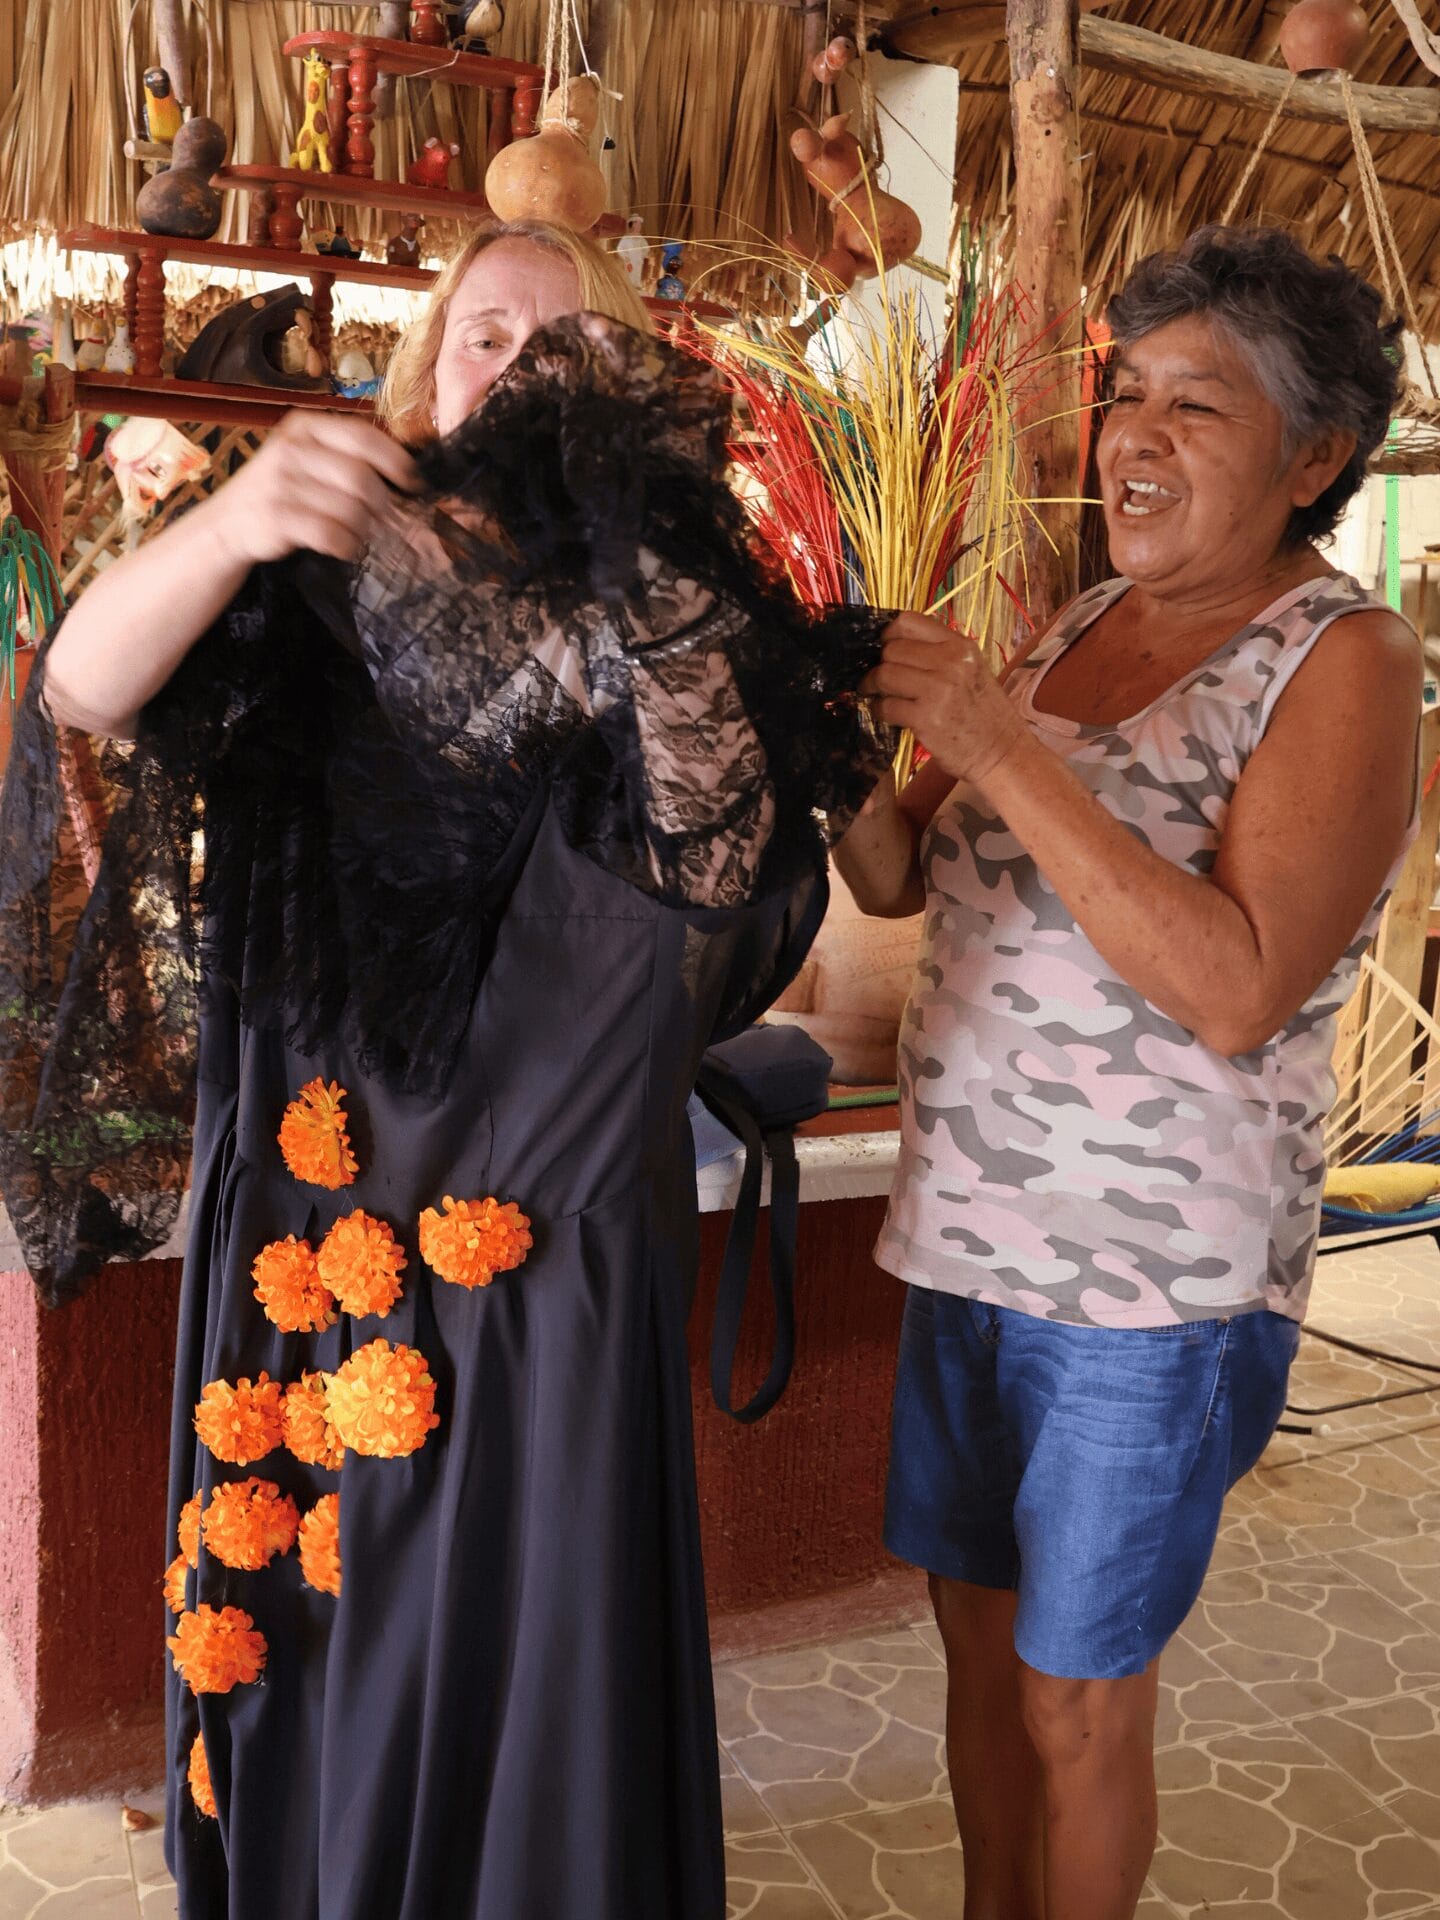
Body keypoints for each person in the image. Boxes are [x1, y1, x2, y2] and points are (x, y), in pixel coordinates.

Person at [0, 219, 890, 1919]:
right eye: (486, 334)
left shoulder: (683, 612)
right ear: (427, 375)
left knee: (517, 1622)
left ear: (631, 385)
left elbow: (721, 860)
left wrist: (645, 560)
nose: (522, 369)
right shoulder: (313, 561)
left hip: (548, 1237)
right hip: (313, 1199)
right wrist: (235, 519)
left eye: (568, 343)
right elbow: (88, 689)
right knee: (305, 1603)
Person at [836, 225, 1422, 1920]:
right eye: (1128, 394)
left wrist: (998, 740)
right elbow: (897, 875)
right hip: (968, 1244)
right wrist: (819, 737)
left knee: (1076, 1699)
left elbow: (1239, 989)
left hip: (1151, 1292)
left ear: (1314, 458)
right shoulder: (1080, 619)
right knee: (974, 1647)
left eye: (1198, 405)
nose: (1135, 438)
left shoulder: (1345, 660)